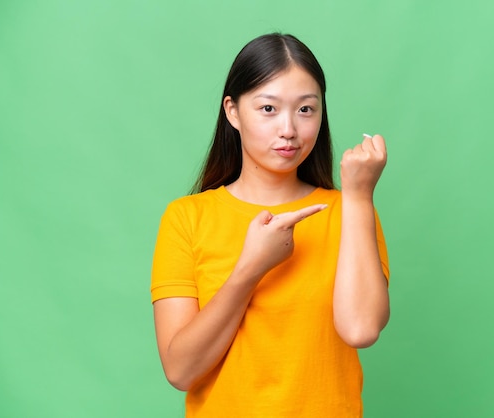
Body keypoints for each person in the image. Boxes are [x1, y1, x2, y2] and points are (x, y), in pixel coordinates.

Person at [150, 33, 390, 417]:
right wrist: (251, 268)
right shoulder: (186, 218)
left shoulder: (350, 211)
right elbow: (181, 370)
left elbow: (361, 329)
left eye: (306, 110)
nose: (289, 129)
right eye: (268, 109)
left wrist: (359, 196)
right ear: (232, 111)